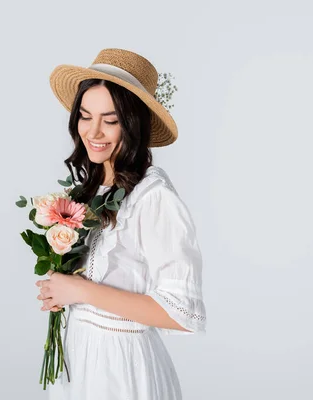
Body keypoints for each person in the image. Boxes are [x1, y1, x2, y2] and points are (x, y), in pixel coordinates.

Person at [35, 48, 207, 399]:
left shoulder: (153, 198)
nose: (93, 131)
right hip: (76, 364)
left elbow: (181, 312)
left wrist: (81, 291)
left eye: (110, 120)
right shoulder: (89, 189)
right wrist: (61, 288)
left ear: (133, 123)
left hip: (121, 371)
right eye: (85, 116)